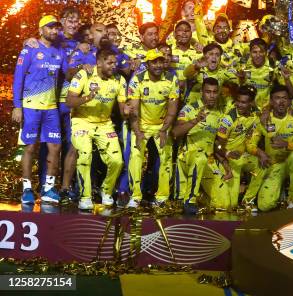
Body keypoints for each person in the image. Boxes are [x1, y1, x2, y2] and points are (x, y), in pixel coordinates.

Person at [12, 15, 66, 204]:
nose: (54, 31)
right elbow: (18, 78)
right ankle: (27, 189)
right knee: (30, 147)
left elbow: (69, 73)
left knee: (55, 147)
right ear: (41, 29)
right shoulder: (30, 50)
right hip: (30, 108)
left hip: (51, 108)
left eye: (56, 28)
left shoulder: (60, 52)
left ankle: (48, 189)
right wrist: (17, 106)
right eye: (50, 27)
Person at [66, 48, 127, 210]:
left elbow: (122, 109)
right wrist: (88, 98)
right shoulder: (84, 75)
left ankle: (106, 191)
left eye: (115, 62)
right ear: (99, 63)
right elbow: (69, 102)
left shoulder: (119, 80)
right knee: (85, 155)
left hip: (104, 123)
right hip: (82, 121)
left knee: (117, 160)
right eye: (110, 63)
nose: (114, 66)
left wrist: (127, 111)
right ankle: (85, 197)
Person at [127, 49, 180, 207]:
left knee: (166, 157)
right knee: (136, 157)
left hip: (161, 125)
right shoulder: (137, 79)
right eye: (153, 62)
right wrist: (137, 132)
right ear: (147, 64)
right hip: (141, 125)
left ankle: (162, 197)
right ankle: (135, 196)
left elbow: (172, 109)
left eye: (160, 61)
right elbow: (134, 110)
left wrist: (164, 130)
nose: (158, 65)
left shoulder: (172, 79)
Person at [247, 85, 293, 211]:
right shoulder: (264, 119)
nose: (281, 101)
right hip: (274, 165)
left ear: (289, 101)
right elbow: (250, 144)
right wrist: (260, 153)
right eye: (277, 98)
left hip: (291, 162)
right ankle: (278, 191)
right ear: (271, 101)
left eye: (284, 98)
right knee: (264, 206)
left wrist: (287, 145)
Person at [173, 77, 225, 214]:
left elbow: (218, 143)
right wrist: (196, 120)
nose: (212, 95)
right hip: (189, 156)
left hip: (209, 160)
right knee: (200, 158)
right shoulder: (190, 108)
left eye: (215, 92)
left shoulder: (220, 113)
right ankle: (189, 199)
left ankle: (200, 196)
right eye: (208, 92)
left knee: (223, 203)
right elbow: (176, 132)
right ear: (202, 92)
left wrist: (226, 161)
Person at [214, 85, 264, 210]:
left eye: (243, 102)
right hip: (228, 158)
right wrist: (228, 153)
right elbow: (217, 145)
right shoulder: (228, 119)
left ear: (251, 103)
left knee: (262, 165)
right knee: (230, 205)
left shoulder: (255, 114)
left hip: (244, 156)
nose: (239, 105)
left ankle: (248, 201)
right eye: (238, 101)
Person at [184, 43, 238, 108]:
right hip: (193, 107)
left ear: (220, 58)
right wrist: (196, 67)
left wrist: (241, 79)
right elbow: (186, 74)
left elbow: (238, 82)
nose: (214, 57)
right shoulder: (197, 68)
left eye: (217, 55)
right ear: (204, 55)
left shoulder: (224, 72)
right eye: (211, 54)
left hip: (214, 109)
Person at [238, 38, 276, 109]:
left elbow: (283, 91)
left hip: (267, 108)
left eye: (261, 52)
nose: (258, 55)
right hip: (247, 108)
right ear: (250, 52)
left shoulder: (273, 66)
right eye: (254, 52)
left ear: (266, 52)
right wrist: (240, 80)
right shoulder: (242, 65)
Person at [169, 20, 200, 93]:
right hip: (171, 92)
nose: (184, 33)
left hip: (192, 94)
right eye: (180, 30)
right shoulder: (168, 52)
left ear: (191, 34)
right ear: (174, 34)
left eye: (187, 30)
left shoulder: (198, 53)